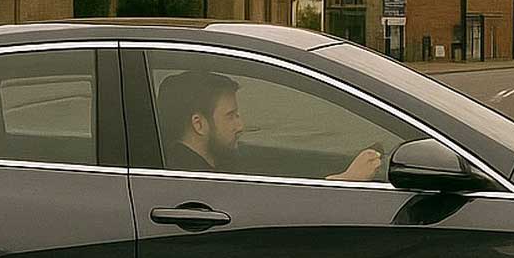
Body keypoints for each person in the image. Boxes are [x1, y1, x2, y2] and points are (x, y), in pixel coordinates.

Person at [155, 71, 383, 181]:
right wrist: (344, 181)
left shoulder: (218, 162)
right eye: (231, 116)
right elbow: (266, 208)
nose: (240, 125)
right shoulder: (188, 179)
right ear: (199, 123)